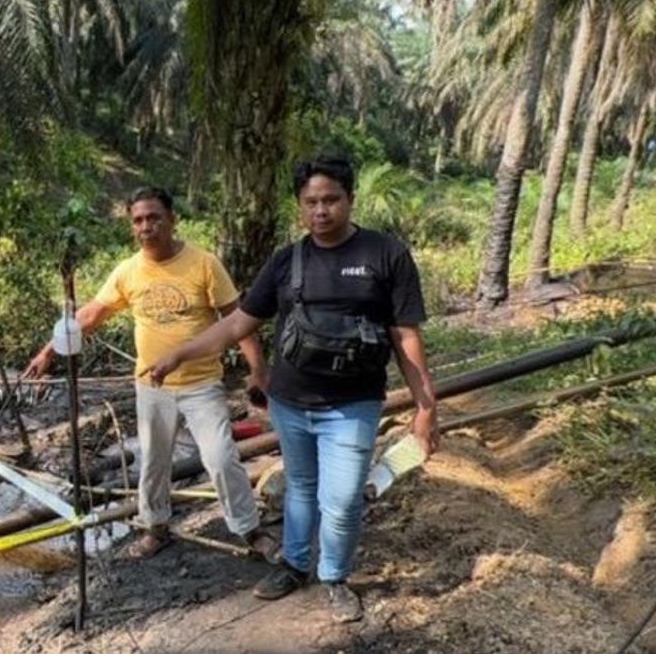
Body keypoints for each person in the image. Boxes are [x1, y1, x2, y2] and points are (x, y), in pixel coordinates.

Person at [149, 156, 439, 623]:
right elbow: (240, 321)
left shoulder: (385, 255)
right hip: (291, 401)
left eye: (331, 200)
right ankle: (294, 563)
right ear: (299, 207)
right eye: (311, 202)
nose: (321, 211)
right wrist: (180, 353)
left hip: (353, 404)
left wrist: (426, 406)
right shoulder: (287, 262)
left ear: (350, 198)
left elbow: (404, 334)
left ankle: (335, 577)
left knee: (343, 499)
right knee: (302, 488)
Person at [25, 186, 277, 560]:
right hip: (151, 388)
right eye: (138, 220)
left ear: (172, 219)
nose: (146, 226)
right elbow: (91, 315)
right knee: (153, 463)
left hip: (201, 384)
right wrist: (49, 351)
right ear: (132, 227)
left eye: (154, 217)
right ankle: (155, 528)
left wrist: (258, 371)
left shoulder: (204, 264)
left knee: (222, 458)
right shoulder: (127, 271)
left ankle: (250, 530)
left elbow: (238, 320)